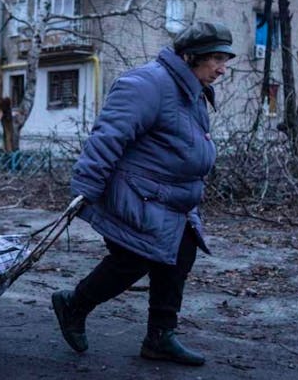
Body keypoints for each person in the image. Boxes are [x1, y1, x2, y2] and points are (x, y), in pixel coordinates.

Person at [51, 21, 235, 367]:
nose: (223, 69)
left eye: (225, 60)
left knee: (180, 254)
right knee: (134, 259)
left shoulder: (190, 88)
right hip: (136, 195)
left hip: (170, 199)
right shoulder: (148, 83)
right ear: (190, 56)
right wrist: (86, 189)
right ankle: (73, 304)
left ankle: (160, 337)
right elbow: (108, 137)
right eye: (216, 60)